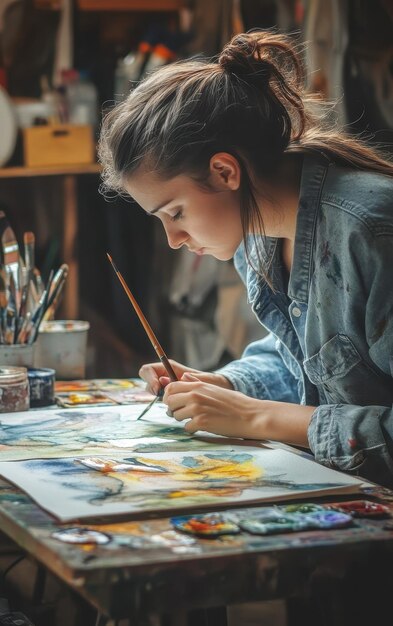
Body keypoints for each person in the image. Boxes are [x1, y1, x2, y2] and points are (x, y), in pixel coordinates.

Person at [98, 30, 393, 488]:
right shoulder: (259, 236)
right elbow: (309, 366)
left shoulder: (372, 232)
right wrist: (226, 388)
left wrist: (257, 418)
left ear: (224, 171)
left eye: (175, 213)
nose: (174, 239)